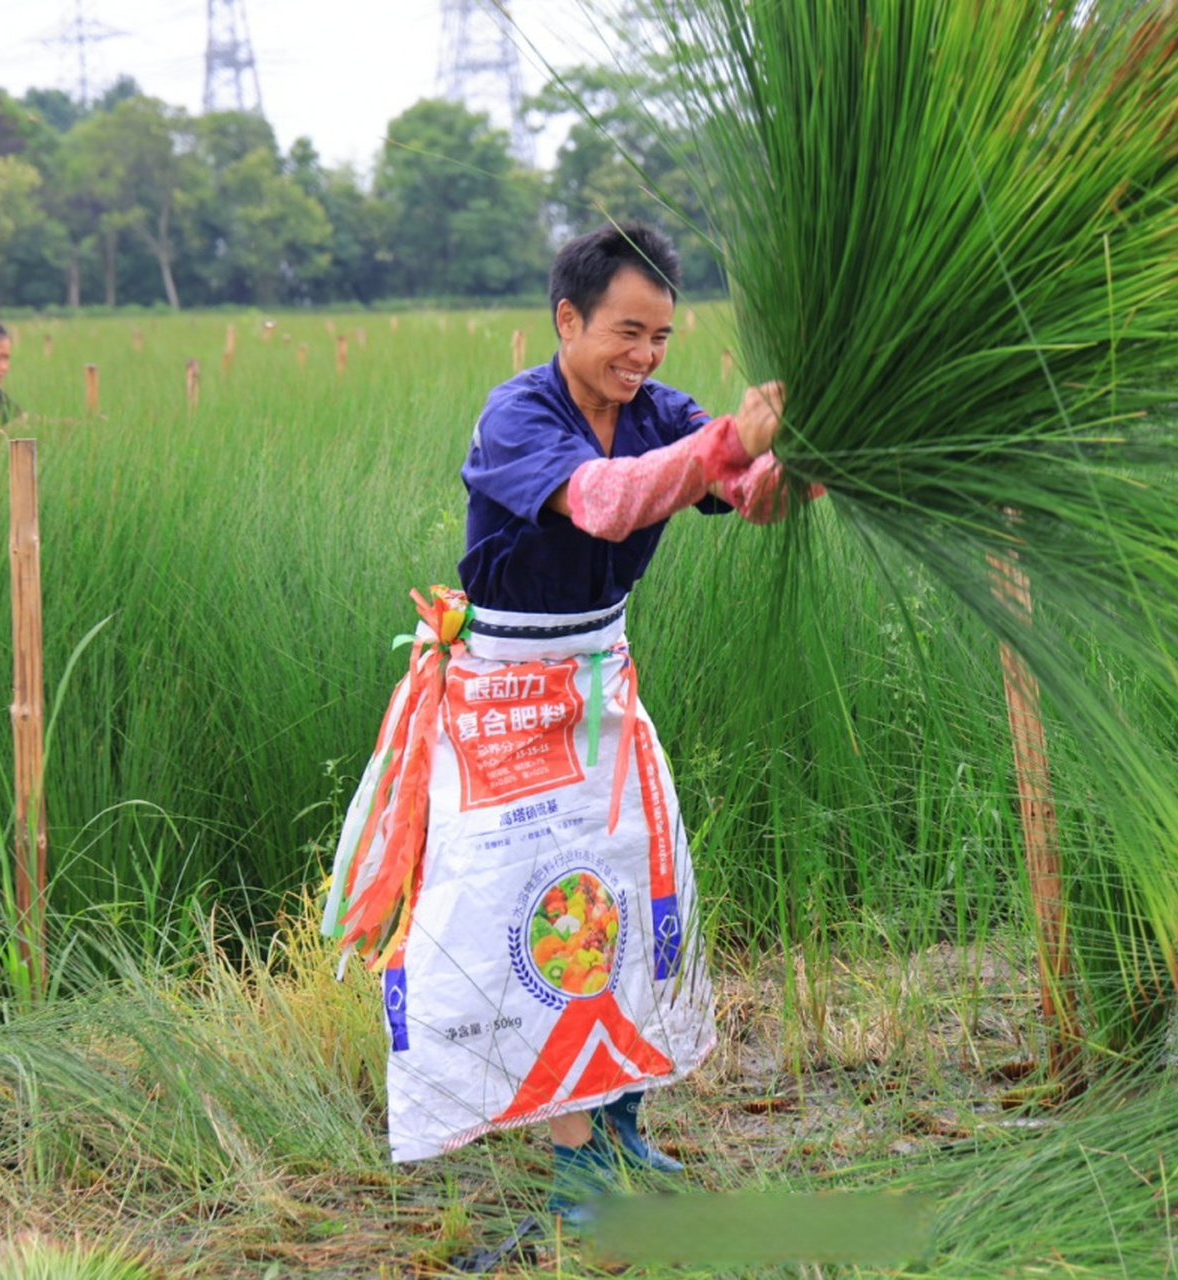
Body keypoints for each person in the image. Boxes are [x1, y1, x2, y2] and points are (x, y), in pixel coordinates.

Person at [323, 223, 805, 1232]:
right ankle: (575, 1166)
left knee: (630, 885)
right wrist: (729, 438)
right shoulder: (518, 414)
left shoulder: (656, 409)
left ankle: (623, 1123)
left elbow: (749, 496)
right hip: (507, 696)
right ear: (567, 318)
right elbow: (607, 504)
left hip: (599, 681)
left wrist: (810, 452)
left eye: (662, 338)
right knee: (550, 913)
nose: (643, 358)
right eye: (627, 332)